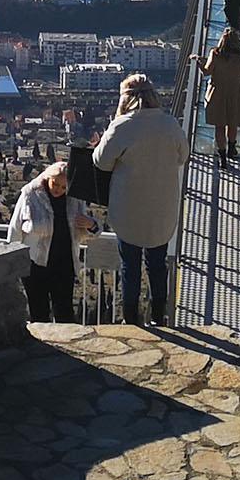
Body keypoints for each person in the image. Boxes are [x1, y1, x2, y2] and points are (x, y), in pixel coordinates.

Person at [91, 74, 187, 325]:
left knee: (129, 267)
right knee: (157, 265)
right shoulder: (170, 124)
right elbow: (182, 157)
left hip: (128, 207)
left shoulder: (122, 126)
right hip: (162, 207)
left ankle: (131, 319)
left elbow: (100, 161)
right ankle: (159, 316)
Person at [6, 158, 93, 322]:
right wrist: (13, 261)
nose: (59, 190)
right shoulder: (30, 194)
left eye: (64, 187)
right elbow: (15, 228)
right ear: (47, 178)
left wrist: (91, 225)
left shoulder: (75, 198)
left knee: (65, 313)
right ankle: (40, 348)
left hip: (64, 265)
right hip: (35, 265)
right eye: (56, 184)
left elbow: (87, 230)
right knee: (38, 313)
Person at [200, 21, 240, 162]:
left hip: (217, 93)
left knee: (219, 125)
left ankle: (222, 155)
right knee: (232, 122)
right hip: (236, 94)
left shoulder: (215, 54)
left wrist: (199, 61)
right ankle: (232, 147)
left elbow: (207, 71)